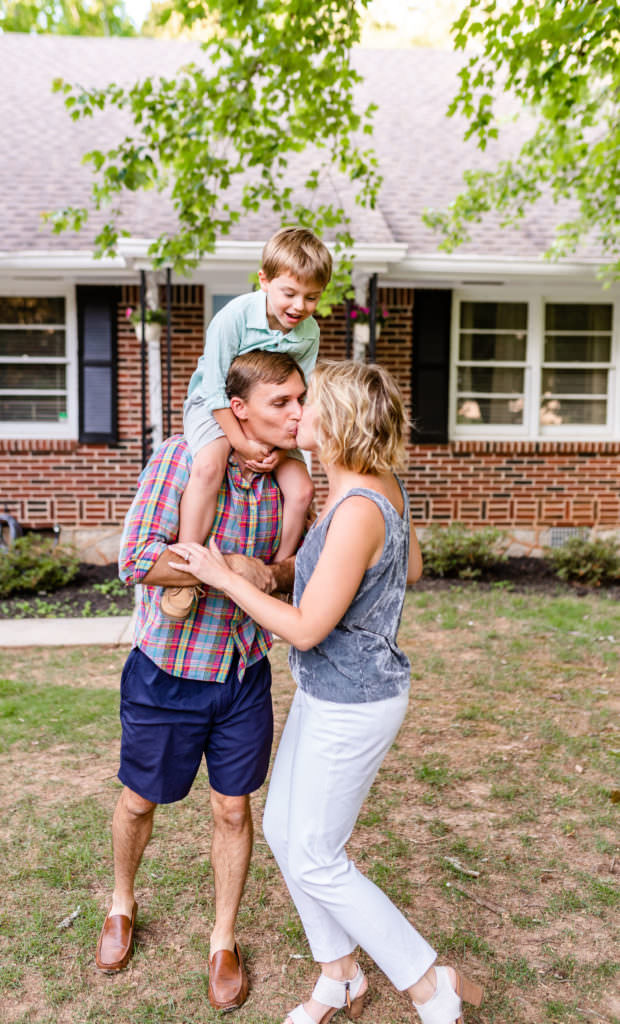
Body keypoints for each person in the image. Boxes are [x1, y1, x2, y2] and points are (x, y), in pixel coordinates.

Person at [170, 361, 485, 1024]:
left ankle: (429, 981)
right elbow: (414, 564)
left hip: (354, 701)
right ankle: (338, 978)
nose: (297, 411)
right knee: (287, 833)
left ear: (335, 422)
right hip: (334, 692)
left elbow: (309, 629)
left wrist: (227, 579)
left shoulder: (356, 510)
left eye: (309, 402)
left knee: (315, 854)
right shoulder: (373, 486)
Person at [95, 350, 305, 1013]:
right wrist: (229, 566)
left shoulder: (290, 480)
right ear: (238, 408)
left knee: (234, 808)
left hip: (242, 671)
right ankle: (122, 902)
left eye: (302, 399)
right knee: (137, 801)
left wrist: (266, 574)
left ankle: (222, 939)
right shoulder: (182, 458)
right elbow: (135, 559)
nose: (298, 413)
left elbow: (301, 568)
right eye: (283, 403)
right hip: (167, 674)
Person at [160, 226, 332, 620]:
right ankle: (187, 568)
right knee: (207, 465)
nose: (299, 306)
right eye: (289, 293)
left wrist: (275, 446)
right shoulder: (233, 317)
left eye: (312, 297)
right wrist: (239, 442)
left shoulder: (309, 333)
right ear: (265, 280)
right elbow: (217, 391)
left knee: (303, 489)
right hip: (215, 405)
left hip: (272, 416)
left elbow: (297, 394)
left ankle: (279, 572)